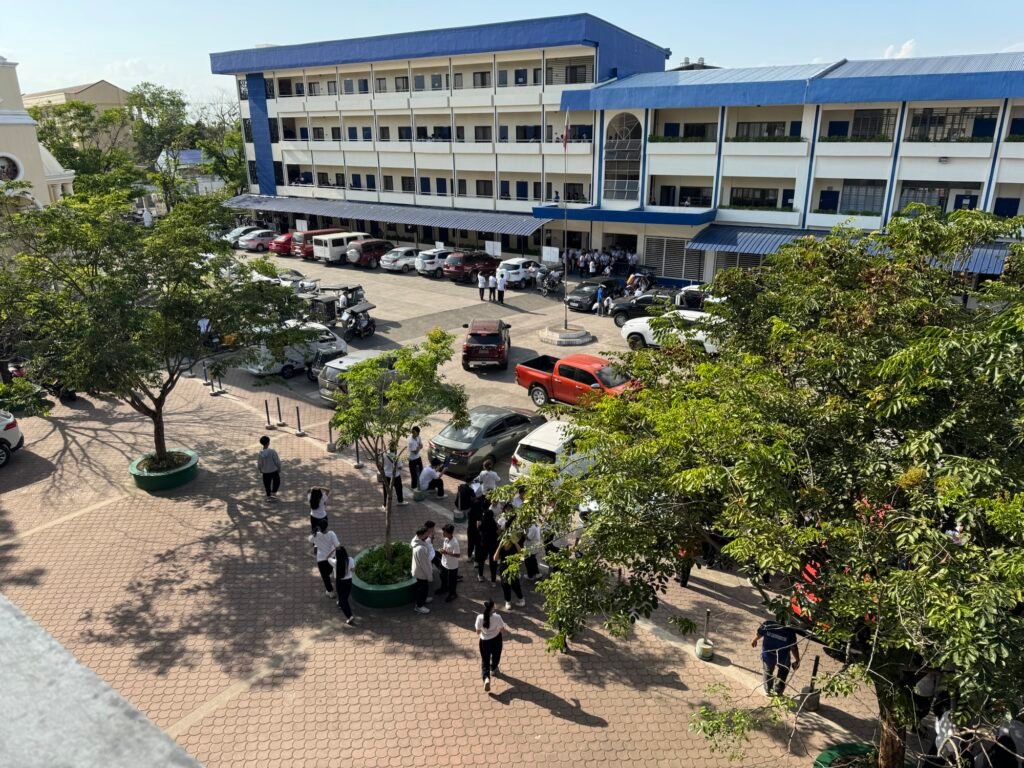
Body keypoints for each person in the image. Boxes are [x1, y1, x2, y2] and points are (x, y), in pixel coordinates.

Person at [752, 617, 801, 696]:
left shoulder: (767, 624)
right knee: (783, 670)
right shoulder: (790, 631)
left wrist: (755, 639)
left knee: (768, 671)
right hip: (783, 657)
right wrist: (797, 660)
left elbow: (759, 634)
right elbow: (794, 648)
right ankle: (778, 690)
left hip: (768, 655)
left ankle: (768, 690)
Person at [475, 600, 510, 691]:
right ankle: (493, 669)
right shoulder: (497, 617)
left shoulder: (480, 618)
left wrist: (484, 631)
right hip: (496, 639)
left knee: (485, 660)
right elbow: (502, 629)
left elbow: (477, 632)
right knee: (496, 655)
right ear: (493, 609)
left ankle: (486, 678)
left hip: (484, 642)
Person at [496, 536, 526, 610]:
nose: (506, 544)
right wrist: (499, 546)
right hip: (503, 569)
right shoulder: (501, 547)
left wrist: (515, 543)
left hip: (513, 569)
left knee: (515, 584)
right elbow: (495, 558)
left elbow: (522, 554)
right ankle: (508, 601)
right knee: (505, 585)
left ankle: (521, 599)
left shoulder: (514, 546)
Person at [311, 526, 340, 597]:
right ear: (326, 527)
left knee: (325, 576)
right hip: (331, 557)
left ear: (319, 528)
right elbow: (337, 546)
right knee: (330, 570)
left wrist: (315, 534)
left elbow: (311, 541)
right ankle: (330, 575)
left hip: (321, 559)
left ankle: (330, 592)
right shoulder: (331, 533)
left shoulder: (316, 535)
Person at [411, 527, 433, 614]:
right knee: (422, 589)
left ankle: (423, 599)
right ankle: (419, 606)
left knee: (423, 587)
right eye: (426, 534)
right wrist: (429, 576)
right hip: (421, 573)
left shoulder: (416, 540)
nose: (428, 535)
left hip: (418, 570)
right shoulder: (421, 549)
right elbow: (425, 565)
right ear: (421, 535)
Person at [334, 544, 357, 625]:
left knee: (342, 599)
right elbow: (353, 570)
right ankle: (340, 603)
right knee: (345, 596)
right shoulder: (350, 560)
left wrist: (332, 551)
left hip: (340, 582)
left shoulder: (335, 562)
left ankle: (349, 616)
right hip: (348, 581)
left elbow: (327, 558)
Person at [476, 508, 499, 584]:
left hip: (484, 544)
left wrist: (478, 525)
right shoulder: (494, 523)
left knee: (481, 560)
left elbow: (479, 530)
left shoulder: (483, 523)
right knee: (493, 563)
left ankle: (480, 575)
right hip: (493, 545)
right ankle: (493, 581)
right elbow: (498, 532)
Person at [439, 523, 460, 602]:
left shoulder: (455, 543)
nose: (443, 533)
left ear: (449, 533)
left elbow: (458, 555)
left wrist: (446, 552)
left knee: (452, 581)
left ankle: (453, 594)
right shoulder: (446, 539)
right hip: (444, 562)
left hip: (452, 566)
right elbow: (445, 549)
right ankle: (444, 588)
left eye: (444, 532)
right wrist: (442, 550)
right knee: (443, 577)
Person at [257, 436, 282, 502]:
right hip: (274, 470)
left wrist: (260, 469)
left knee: (267, 485)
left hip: (265, 472)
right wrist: (279, 468)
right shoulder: (272, 451)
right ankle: (273, 493)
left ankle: (269, 496)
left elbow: (260, 463)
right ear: (268, 443)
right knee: (276, 482)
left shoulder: (260, 453)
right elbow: (277, 461)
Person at [407, 427, 423, 492]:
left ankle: (419, 485)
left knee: (421, 472)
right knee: (414, 475)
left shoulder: (418, 437)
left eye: (419, 433)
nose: (418, 434)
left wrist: (418, 447)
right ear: (413, 432)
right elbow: (415, 452)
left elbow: (421, 446)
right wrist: (419, 447)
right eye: (417, 433)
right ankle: (413, 487)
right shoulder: (410, 441)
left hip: (418, 458)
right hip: (412, 460)